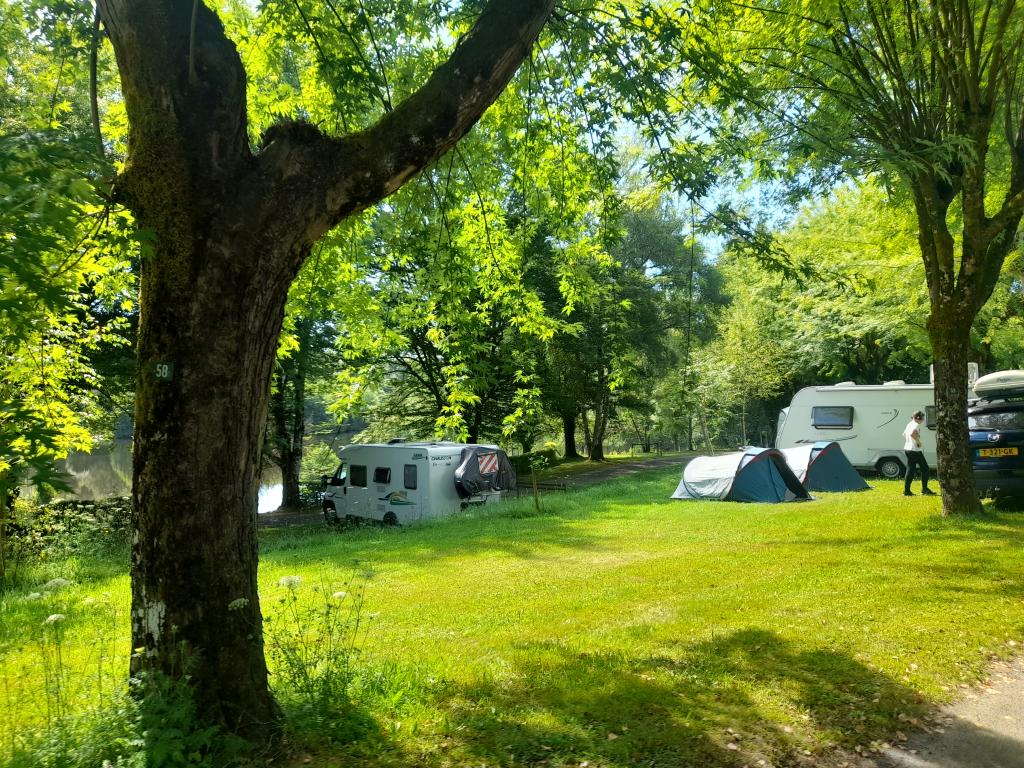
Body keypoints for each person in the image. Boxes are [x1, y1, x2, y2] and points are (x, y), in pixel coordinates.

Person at [903, 410, 936, 496]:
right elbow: (912, 434)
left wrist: (912, 440)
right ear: (919, 418)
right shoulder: (916, 425)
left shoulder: (909, 424)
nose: (923, 420)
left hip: (907, 449)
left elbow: (904, 434)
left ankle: (906, 491)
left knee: (910, 470)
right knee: (925, 469)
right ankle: (924, 489)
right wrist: (918, 442)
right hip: (915, 450)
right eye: (923, 418)